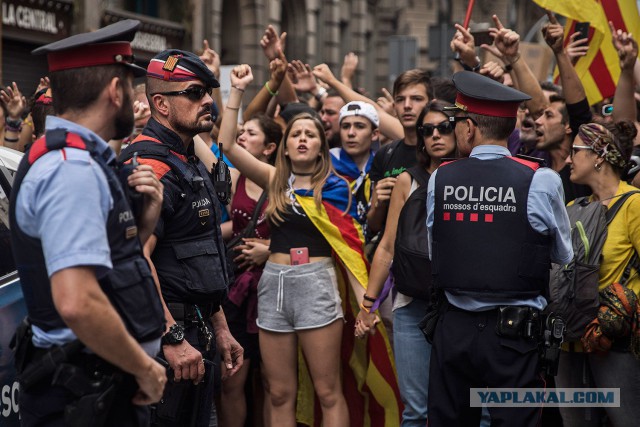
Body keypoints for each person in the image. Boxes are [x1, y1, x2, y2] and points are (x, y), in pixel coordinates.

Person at [218, 63, 401, 427]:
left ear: (322, 147)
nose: (302, 138)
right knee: (279, 391)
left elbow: (348, 256)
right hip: (273, 287)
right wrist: (236, 91)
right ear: (283, 148)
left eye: (311, 134)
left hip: (317, 287)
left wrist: (367, 305)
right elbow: (225, 146)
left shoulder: (338, 190)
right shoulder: (273, 181)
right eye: (296, 134)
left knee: (327, 390)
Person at [9, 19, 167, 426]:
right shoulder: (70, 170)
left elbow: (106, 269)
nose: (134, 101)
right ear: (115, 92)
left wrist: (143, 222)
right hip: (85, 393)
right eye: (131, 90)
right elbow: (77, 301)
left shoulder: (80, 159)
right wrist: (145, 368)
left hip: (93, 386)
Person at [425, 71, 572, 426]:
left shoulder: (440, 177)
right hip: (514, 337)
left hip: (454, 330)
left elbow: (437, 251)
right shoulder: (540, 178)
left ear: (470, 128)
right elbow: (563, 255)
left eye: (456, 122)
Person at [120, 49, 243, 426]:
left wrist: (220, 327)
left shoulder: (187, 159)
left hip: (197, 335)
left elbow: (197, 254)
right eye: (194, 93)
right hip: (167, 343)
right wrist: (171, 338)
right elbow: (135, 260)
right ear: (160, 104)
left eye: (208, 91)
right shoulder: (150, 167)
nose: (207, 100)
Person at [356, 100, 457, 426]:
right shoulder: (407, 180)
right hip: (412, 302)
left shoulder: (472, 178)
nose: (436, 136)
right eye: (427, 131)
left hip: (462, 306)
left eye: (444, 127)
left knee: (468, 406)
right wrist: (368, 304)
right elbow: (387, 245)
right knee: (416, 409)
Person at [556, 121, 640, 427]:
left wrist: (623, 310)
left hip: (613, 342)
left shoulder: (634, 204)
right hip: (569, 342)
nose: (568, 159)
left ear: (599, 156)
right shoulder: (573, 206)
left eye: (575, 151)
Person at [219, 114, 281, 427]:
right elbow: (218, 144)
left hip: (273, 291)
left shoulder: (283, 182)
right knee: (232, 380)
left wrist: (269, 250)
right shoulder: (232, 176)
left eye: (251, 133)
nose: (242, 137)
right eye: (241, 131)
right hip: (237, 292)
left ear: (270, 147)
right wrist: (232, 93)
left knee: (272, 384)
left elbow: (310, 238)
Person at [330, 100, 378, 226]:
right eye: (345, 126)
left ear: (374, 134)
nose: (351, 133)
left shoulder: (382, 166)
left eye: (359, 126)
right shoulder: (326, 163)